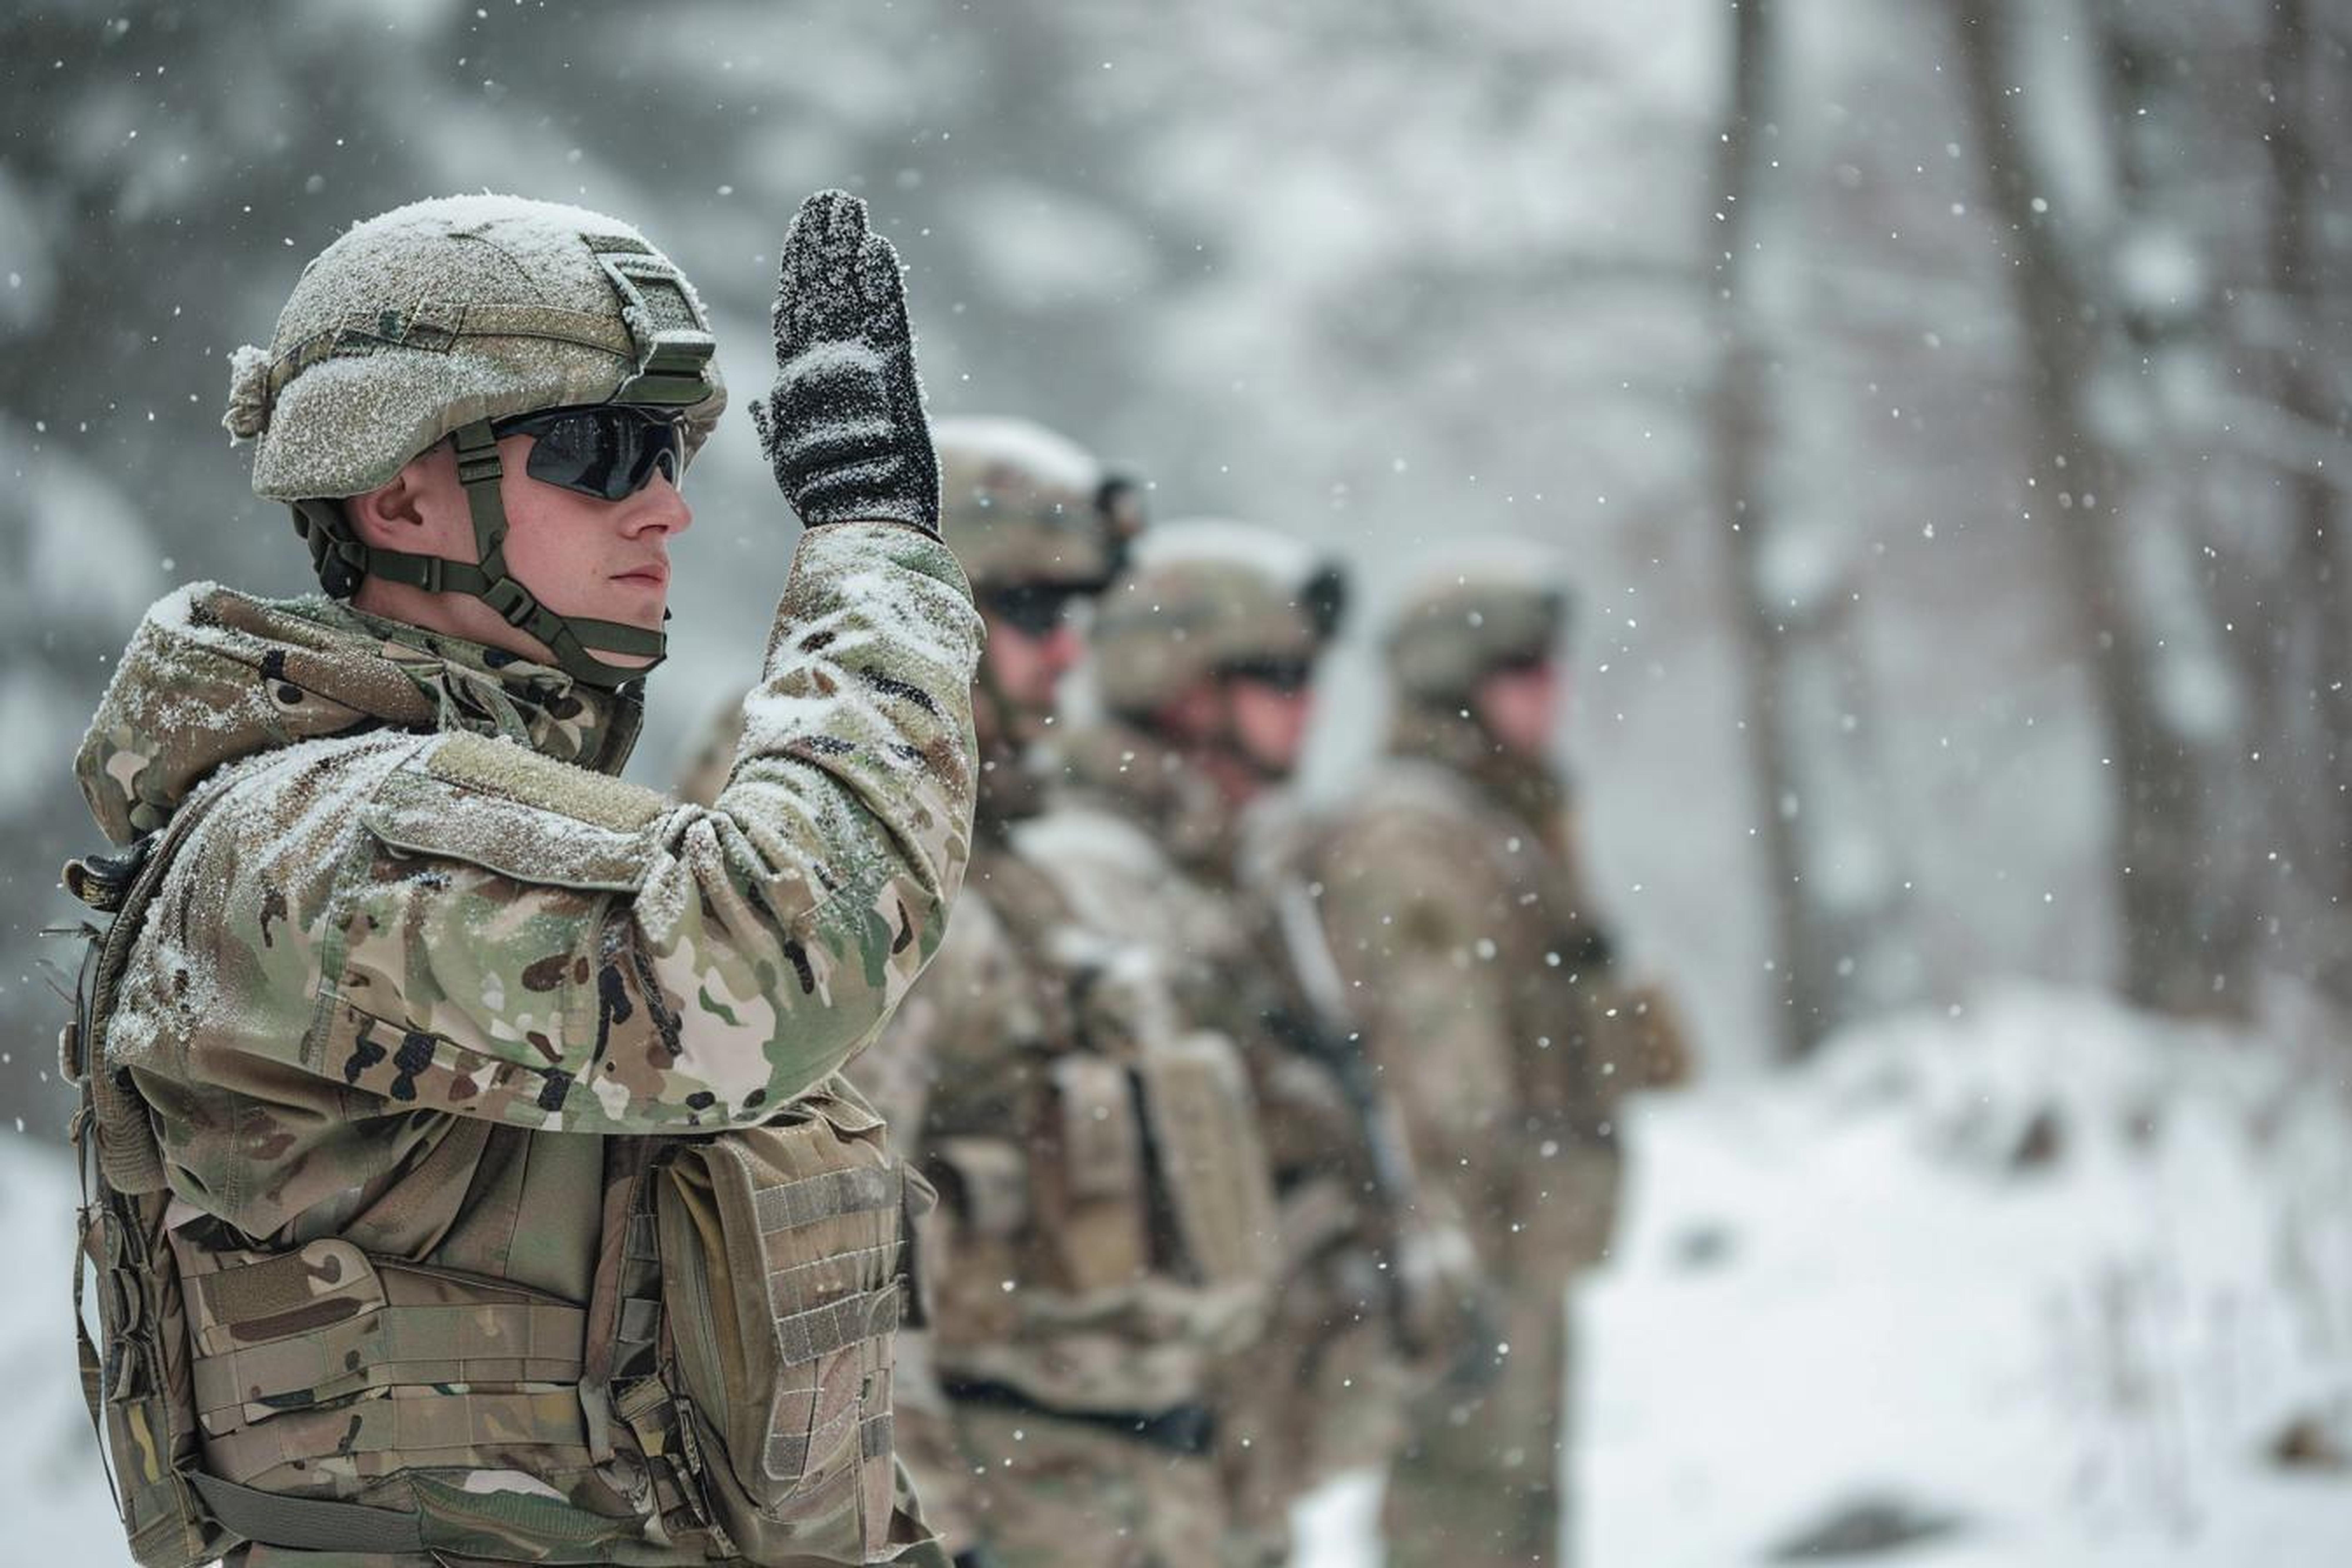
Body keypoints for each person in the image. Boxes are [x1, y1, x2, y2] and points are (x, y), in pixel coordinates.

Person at [61, 189, 980, 1568]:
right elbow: (778, 953)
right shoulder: (320, 836)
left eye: (666, 451)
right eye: (602, 450)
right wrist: (872, 548)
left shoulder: (476, 813)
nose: (666, 506)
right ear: (399, 487)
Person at [689, 422, 1284, 1568]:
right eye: (1027, 611)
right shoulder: (853, 854)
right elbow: (820, 1263)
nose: (1067, 653)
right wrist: (917, 1534)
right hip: (990, 1498)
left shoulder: (1006, 851)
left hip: (1111, 1492)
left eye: (1074, 615)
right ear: (929, 605)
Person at [1026, 520, 1465, 1568]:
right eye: (1275, 674)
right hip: (1131, 1464)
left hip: (1231, 1451)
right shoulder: (1098, 878)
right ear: (1185, 690)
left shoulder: (1226, 873)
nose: (1307, 703)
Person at [1307, 545, 1694, 1568]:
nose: (1551, 692)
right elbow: (1433, 1084)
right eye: (1523, 671)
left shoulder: (1503, 825)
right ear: (1458, 688)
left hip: (1523, 1244)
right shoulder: (1416, 838)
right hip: (1478, 1247)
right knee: (1463, 1520)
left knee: (1515, 1520)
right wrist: (1449, 1264)